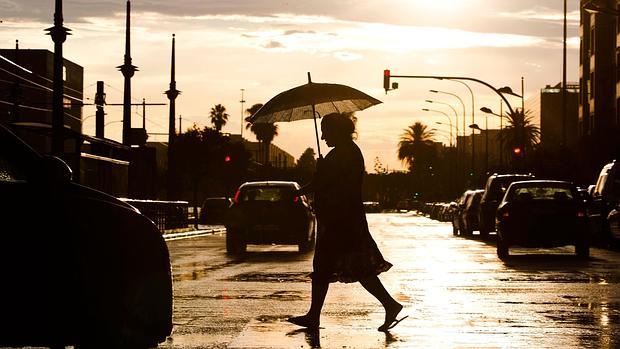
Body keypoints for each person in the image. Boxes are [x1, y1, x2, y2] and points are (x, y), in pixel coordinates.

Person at [288, 113, 406, 332]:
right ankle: (315, 315)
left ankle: (389, 305)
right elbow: (324, 182)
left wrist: (318, 175)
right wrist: (311, 182)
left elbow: (330, 184)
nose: (323, 137)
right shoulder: (343, 153)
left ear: (337, 131)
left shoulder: (346, 154)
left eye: (326, 131)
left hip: (342, 221)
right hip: (339, 219)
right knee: (332, 267)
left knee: (352, 267)